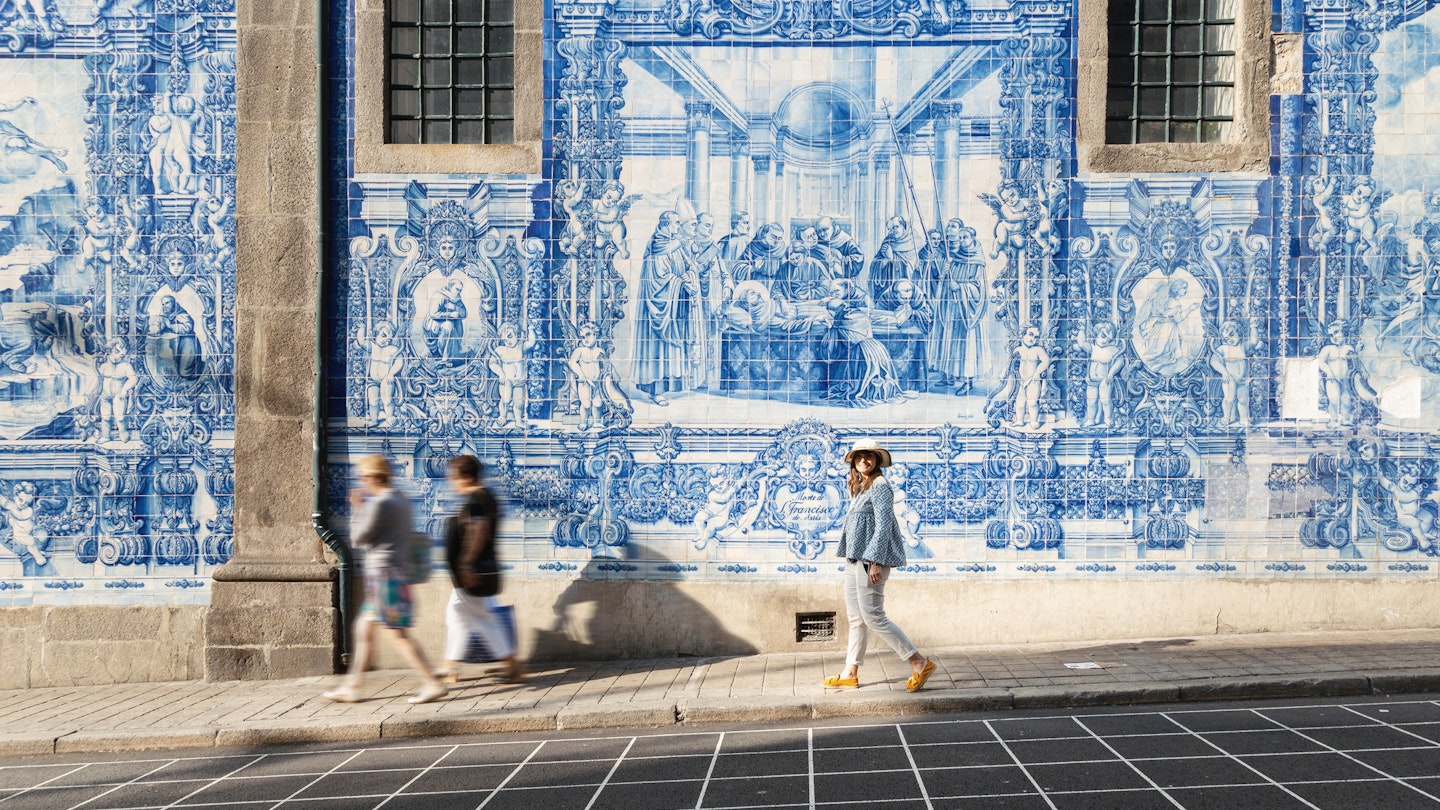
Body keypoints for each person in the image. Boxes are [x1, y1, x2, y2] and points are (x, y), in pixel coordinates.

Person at [323, 455, 447, 704]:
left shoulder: (381, 503)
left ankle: (432, 683)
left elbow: (358, 538)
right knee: (364, 630)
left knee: (397, 635)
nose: (362, 481)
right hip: (392, 575)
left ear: (373, 477)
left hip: (384, 577)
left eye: (364, 476)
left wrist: (358, 508)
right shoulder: (400, 500)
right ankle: (354, 686)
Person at [823, 439, 936, 692]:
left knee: (873, 617)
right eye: (860, 456)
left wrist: (876, 561)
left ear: (877, 460)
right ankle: (850, 672)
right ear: (854, 461)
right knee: (856, 619)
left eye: (870, 456)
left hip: (870, 561)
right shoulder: (862, 486)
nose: (865, 460)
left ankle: (919, 661)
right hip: (855, 559)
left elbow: (884, 525)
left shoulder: (881, 485)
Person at [437, 455, 524, 685]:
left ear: (466, 477)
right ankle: (450, 666)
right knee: (458, 617)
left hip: (472, 572)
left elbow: (478, 529)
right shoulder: (486, 497)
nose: (452, 482)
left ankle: (511, 665)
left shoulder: (475, 499)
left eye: (454, 478)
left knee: (482, 620)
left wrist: (466, 563)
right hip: (476, 571)